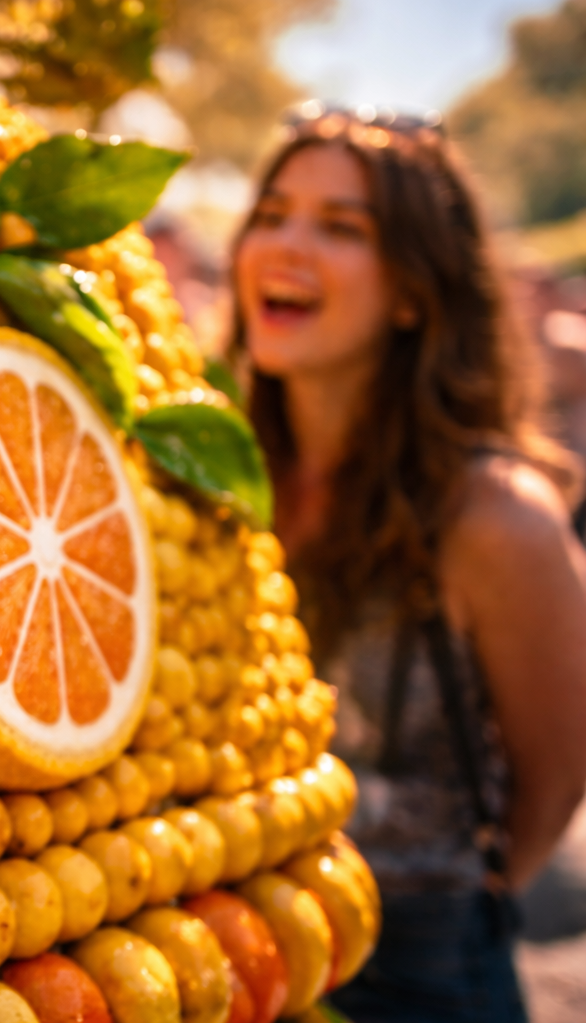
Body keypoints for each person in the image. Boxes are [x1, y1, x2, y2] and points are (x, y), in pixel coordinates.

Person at [229, 104, 586, 1021]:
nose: (286, 246)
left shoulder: (496, 515)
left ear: (414, 292)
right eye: (272, 214)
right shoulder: (219, 467)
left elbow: (557, 773)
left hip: (424, 968)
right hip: (239, 948)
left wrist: (457, 897)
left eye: (342, 228)